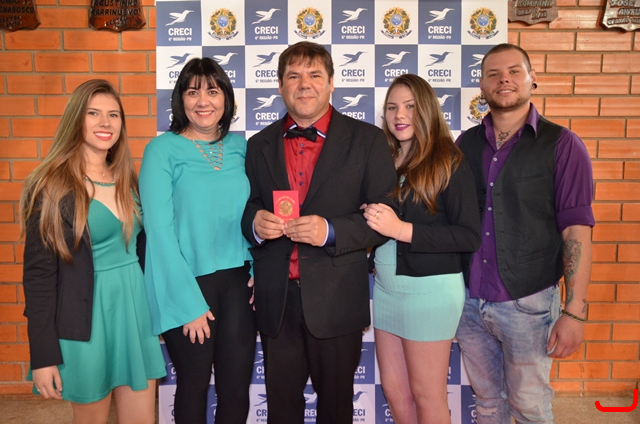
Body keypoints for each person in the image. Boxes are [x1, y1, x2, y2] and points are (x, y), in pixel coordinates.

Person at [241, 41, 397, 424]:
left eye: (314, 75)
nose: (304, 84)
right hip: (277, 300)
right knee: (281, 412)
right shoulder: (258, 145)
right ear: (280, 85)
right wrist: (255, 223)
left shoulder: (367, 140)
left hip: (337, 299)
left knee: (337, 410)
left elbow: (386, 215)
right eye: (293, 76)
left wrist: (330, 230)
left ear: (331, 83)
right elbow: (247, 205)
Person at [455, 43, 595, 424]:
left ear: (533, 78)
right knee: (487, 404)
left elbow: (576, 230)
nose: (504, 80)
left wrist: (575, 312)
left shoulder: (563, 145)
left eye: (514, 71)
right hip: (469, 302)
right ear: (481, 85)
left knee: (529, 406)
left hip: (529, 304)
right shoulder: (465, 143)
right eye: (494, 74)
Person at [20, 79, 166, 424]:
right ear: (76, 119)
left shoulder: (128, 179)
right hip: (84, 321)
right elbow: (38, 278)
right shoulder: (51, 187)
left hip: (134, 314)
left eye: (114, 114)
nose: (105, 123)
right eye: (93, 113)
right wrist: (43, 356)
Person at [139, 57, 255, 424]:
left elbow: (256, 214)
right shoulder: (161, 151)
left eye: (212, 91)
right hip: (185, 283)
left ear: (226, 99)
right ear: (180, 100)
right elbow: (158, 232)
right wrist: (187, 303)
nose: (203, 101)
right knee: (193, 385)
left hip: (238, 282)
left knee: (236, 389)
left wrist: (259, 268)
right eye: (192, 92)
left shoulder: (241, 148)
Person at [363, 74, 481, 424]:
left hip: (430, 293)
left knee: (427, 395)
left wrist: (400, 230)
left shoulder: (449, 160)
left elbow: (468, 236)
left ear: (427, 110)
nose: (399, 115)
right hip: (387, 291)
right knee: (396, 394)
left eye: (410, 107)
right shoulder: (385, 158)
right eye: (392, 108)